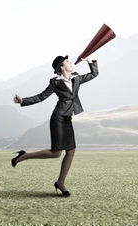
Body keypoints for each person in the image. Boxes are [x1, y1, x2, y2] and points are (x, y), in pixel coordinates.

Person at [12, 55, 99, 196]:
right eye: (67, 62)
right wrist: (23, 100)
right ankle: (23, 156)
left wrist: (90, 62)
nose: (71, 63)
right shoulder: (55, 82)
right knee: (56, 153)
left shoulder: (76, 78)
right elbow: (41, 97)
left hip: (68, 118)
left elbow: (94, 74)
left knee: (71, 151)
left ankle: (60, 183)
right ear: (61, 67)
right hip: (58, 118)